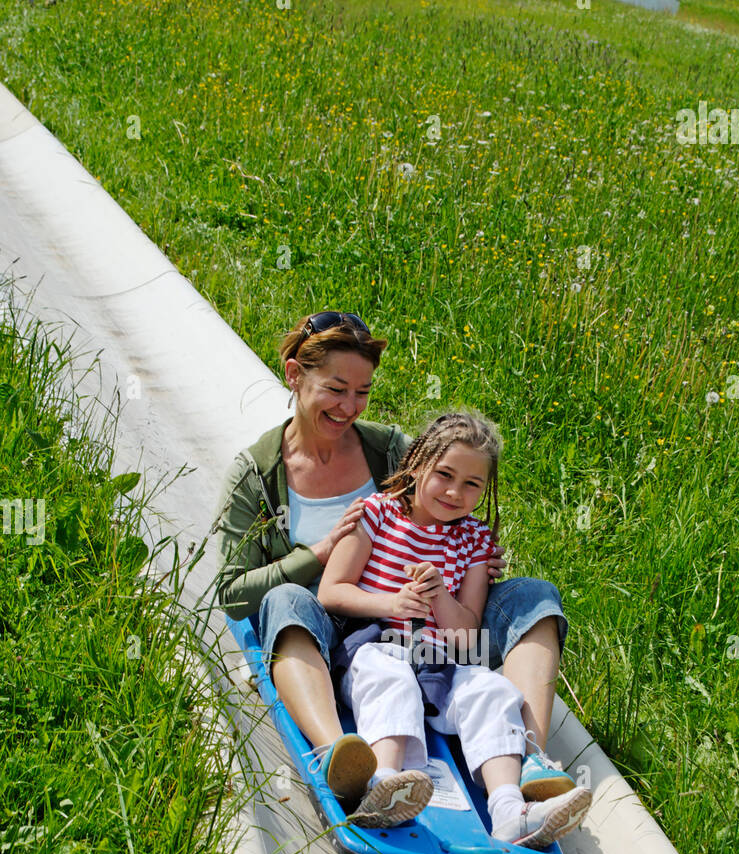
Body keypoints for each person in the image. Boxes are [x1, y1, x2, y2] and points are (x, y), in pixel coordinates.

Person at [211, 310, 576, 807]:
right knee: (285, 597)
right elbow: (232, 594)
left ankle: (528, 755)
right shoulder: (255, 474)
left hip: (434, 627)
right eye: (336, 389)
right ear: (295, 375)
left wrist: (479, 566)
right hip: (339, 621)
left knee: (535, 596)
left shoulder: (390, 449)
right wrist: (316, 554)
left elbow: (449, 489)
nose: (349, 407)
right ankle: (339, 754)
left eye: (361, 392)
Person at [317, 412, 592, 844]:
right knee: (391, 681)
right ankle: (381, 786)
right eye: (444, 474)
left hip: (439, 660)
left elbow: (466, 638)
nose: (454, 492)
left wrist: (441, 595)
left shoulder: (475, 541)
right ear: (417, 465)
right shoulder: (378, 514)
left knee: (492, 690)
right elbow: (331, 591)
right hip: (374, 646)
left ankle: (510, 809)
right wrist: (391, 602)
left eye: (471, 484)